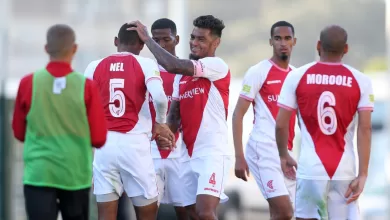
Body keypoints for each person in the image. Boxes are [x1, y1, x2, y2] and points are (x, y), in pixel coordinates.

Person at [129, 15, 232, 220]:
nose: (194, 43)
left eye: (201, 39)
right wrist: (164, 135)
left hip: (212, 153)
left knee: (205, 213)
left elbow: (173, 65)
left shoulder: (216, 66)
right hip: (187, 155)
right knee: (189, 214)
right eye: (193, 37)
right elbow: (174, 115)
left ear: (216, 42)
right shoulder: (182, 77)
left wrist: (148, 40)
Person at [276, 25, 374, 220]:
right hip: (344, 170)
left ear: (318, 45)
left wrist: (283, 155)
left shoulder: (296, 76)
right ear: (346, 49)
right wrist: (363, 174)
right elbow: (365, 129)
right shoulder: (361, 80)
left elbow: (280, 124)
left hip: (311, 168)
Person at [12, 24, 107, 220]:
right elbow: (99, 138)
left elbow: (19, 134)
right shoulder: (87, 86)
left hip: (38, 174)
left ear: (46, 48)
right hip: (75, 175)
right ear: (74, 49)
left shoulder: (28, 83)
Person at [83, 23, 175, 220]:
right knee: (147, 211)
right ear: (141, 46)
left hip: (104, 145)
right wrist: (160, 123)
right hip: (135, 145)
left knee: (105, 213)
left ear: (116, 42)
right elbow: (159, 97)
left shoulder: (94, 66)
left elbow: (83, 104)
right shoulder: (146, 64)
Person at [232, 21, 297, 220]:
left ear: (294, 41)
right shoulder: (258, 72)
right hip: (263, 149)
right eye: (278, 38)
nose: (283, 43)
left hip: (286, 152)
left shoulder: (296, 75)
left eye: (287, 38)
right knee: (285, 212)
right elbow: (238, 114)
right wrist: (239, 156)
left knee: (284, 214)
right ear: (271, 41)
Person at [149, 18, 189, 220]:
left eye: (166, 39)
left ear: (177, 39)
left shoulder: (186, 71)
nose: (162, 45)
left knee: (185, 211)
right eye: (156, 41)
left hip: (179, 152)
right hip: (149, 152)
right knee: (147, 210)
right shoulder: (144, 70)